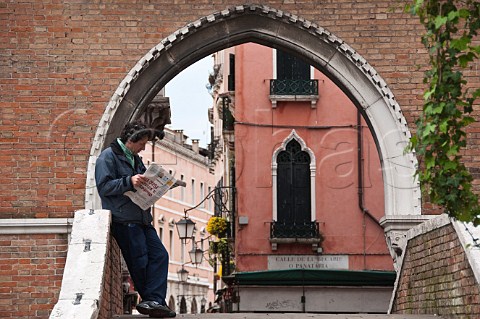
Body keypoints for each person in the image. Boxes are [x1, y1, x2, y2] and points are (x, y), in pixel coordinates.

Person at [95, 121, 176, 318]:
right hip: (124, 219)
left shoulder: (135, 158)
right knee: (139, 261)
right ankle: (151, 300)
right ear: (132, 140)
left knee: (160, 255)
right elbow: (103, 187)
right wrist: (128, 181)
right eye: (142, 143)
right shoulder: (108, 157)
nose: (144, 147)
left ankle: (154, 300)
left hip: (141, 217)